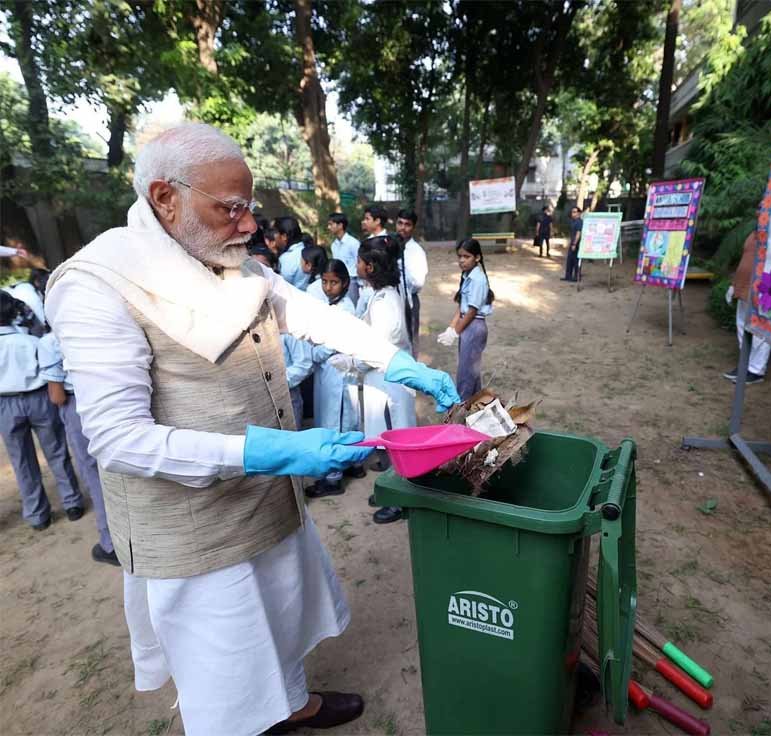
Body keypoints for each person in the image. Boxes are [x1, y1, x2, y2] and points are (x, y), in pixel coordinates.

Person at [45, 122, 460, 736]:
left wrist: (396, 361)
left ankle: (294, 704)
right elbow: (118, 438)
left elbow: (313, 315)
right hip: (194, 528)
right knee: (228, 666)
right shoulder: (98, 285)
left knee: (280, 618)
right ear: (165, 198)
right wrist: (265, 450)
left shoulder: (231, 262)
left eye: (249, 207)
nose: (249, 225)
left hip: (267, 498)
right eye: (231, 208)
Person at [0, 291, 85, 532]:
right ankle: (72, 502)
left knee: (21, 460)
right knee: (57, 452)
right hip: (39, 398)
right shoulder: (31, 341)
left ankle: (38, 515)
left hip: (6, 403)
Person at [37, 330, 119, 564]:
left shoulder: (51, 341)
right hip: (113, 397)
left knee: (93, 472)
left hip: (78, 404)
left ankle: (111, 543)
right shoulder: (99, 327)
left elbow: (57, 396)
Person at [356, 236, 415, 526]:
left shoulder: (385, 302)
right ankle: (391, 491)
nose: (356, 265)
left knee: (395, 442)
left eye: (359, 261)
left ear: (370, 266)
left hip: (389, 380)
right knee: (387, 439)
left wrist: (352, 361)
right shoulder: (381, 294)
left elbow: (377, 348)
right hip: (382, 380)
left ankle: (399, 501)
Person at [305, 259, 366, 498]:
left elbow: (332, 343)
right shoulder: (330, 304)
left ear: (345, 283)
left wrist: (314, 353)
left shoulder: (345, 308)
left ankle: (332, 478)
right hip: (333, 371)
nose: (328, 287)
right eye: (325, 282)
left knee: (334, 422)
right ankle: (353, 463)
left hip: (337, 371)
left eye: (334, 283)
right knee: (346, 419)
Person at [438, 239, 494, 400]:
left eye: (466, 256)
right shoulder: (467, 275)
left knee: (466, 374)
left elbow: (471, 311)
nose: (462, 260)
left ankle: (461, 406)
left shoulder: (477, 279)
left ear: (477, 258)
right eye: (460, 256)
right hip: (468, 323)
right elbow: (461, 306)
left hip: (474, 325)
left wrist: (456, 332)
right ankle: (474, 406)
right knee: (471, 373)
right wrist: (451, 328)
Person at [723, 232, 771, 385]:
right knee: (742, 327)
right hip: (744, 290)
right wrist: (734, 284)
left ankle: (756, 370)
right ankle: (746, 364)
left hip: (762, 291)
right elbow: (745, 260)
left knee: (760, 332)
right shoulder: (752, 234)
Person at [395, 209, 428, 356]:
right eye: (400, 223)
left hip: (409, 300)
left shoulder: (416, 251)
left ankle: (412, 367)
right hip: (392, 298)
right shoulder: (390, 246)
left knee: (410, 338)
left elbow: (418, 283)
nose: (402, 228)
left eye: (407, 224)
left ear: (413, 228)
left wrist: (401, 271)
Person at [327, 213, 361, 304]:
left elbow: (359, 262)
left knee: (352, 306)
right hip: (337, 280)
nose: (328, 227)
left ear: (340, 225)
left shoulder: (353, 243)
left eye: (331, 224)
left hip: (351, 281)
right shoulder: (334, 245)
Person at [4, 268, 50, 335]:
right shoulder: (28, 292)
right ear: (37, 281)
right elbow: (43, 319)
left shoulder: (25, 287)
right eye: (46, 280)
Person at [276, 216, 309, 289]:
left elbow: (282, 286)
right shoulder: (307, 250)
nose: (275, 237)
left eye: (276, 233)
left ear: (284, 236)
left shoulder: (286, 258)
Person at [562, 206, 583, 282]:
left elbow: (578, 234)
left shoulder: (579, 222)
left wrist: (574, 244)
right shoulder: (573, 221)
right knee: (569, 260)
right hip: (572, 242)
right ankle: (568, 276)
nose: (573, 213)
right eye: (572, 212)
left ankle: (576, 277)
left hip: (577, 244)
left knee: (576, 260)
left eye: (574, 212)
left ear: (579, 213)